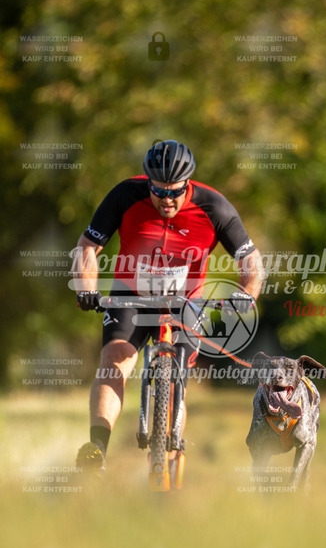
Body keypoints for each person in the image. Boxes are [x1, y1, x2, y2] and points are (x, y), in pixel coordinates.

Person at [74, 140, 264, 474]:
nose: (167, 200)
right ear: (148, 182)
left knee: (176, 381)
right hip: (131, 295)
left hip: (185, 302)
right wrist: (86, 287)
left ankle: (168, 451)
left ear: (187, 183)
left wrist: (246, 297)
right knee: (114, 362)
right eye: (158, 191)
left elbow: (251, 261)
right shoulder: (125, 195)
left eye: (175, 192)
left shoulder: (214, 207)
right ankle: (97, 450)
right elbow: (88, 247)